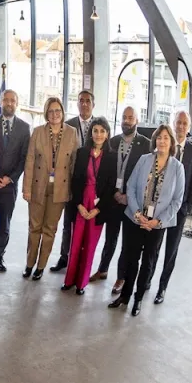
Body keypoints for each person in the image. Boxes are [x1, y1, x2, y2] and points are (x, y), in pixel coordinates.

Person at [108, 124, 184, 317]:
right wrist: (136, 214)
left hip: (156, 225)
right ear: (155, 140)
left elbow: (177, 201)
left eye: (166, 138)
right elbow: (131, 186)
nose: (162, 141)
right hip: (135, 219)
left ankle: (138, 299)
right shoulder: (144, 160)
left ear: (171, 142)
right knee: (131, 259)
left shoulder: (178, 168)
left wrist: (157, 221)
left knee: (148, 262)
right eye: (159, 137)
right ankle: (124, 296)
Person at [89, 106, 150, 292]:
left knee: (127, 242)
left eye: (130, 117)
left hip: (132, 201)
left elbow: (145, 176)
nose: (127, 120)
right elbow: (107, 170)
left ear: (137, 120)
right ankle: (103, 269)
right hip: (113, 198)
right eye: (124, 117)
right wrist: (113, 193)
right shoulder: (113, 141)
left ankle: (121, 278)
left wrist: (128, 196)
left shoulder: (145, 144)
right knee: (110, 238)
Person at [23, 97, 78, 280]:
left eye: (58, 111)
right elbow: (30, 161)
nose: (55, 114)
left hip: (60, 190)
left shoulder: (72, 133)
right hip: (38, 186)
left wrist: (73, 191)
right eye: (51, 111)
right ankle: (30, 263)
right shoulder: (38, 132)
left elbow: (74, 164)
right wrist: (26, 188)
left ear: (62, 113)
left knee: (50, 229)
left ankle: (41, 266)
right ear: (46, 113)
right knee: (34, 227)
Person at [149, 110, 192, 304]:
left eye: (184, 124)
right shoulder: (165, 147)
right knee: (154, 247)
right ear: (173, 123)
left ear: (188, 127)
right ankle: (147, 281)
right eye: (178, 123)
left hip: (179, 212)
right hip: (160, 209)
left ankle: (162, 288)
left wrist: (187, 208)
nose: (180, 127)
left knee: (171, 251)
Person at [62, 118, 117, 295]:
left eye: (102, 131)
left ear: (107, 134)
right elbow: (76, 180)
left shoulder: (112, 157)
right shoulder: (82, 153)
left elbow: (110, 187)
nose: (99, 134)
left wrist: (97, 209)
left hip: (98, 207)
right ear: (90, 133)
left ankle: (81, 283)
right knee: (75, 243)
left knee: (90, 245)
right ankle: (69, 280)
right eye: (95, 130)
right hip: (80, 203)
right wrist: (79, 205)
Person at [0, 90, 30, 272]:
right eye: (6, 100)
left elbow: (24, 158)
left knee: (5, 223)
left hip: (9, 186)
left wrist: (10, 178)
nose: (9, 103)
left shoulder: (25, 128)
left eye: (12, 100)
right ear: (1, 102)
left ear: (17, 103)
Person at [52, 89, 96, 272]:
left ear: (93, 104)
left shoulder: (100, 126)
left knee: (86, 226)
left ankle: (80, 260)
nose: (84, 104)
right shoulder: (68, 125)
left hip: (91, 186)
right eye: (81, 100)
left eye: (87, 101)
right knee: (68, 223)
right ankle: (64, 257)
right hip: (71, 183)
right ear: (77, 103)